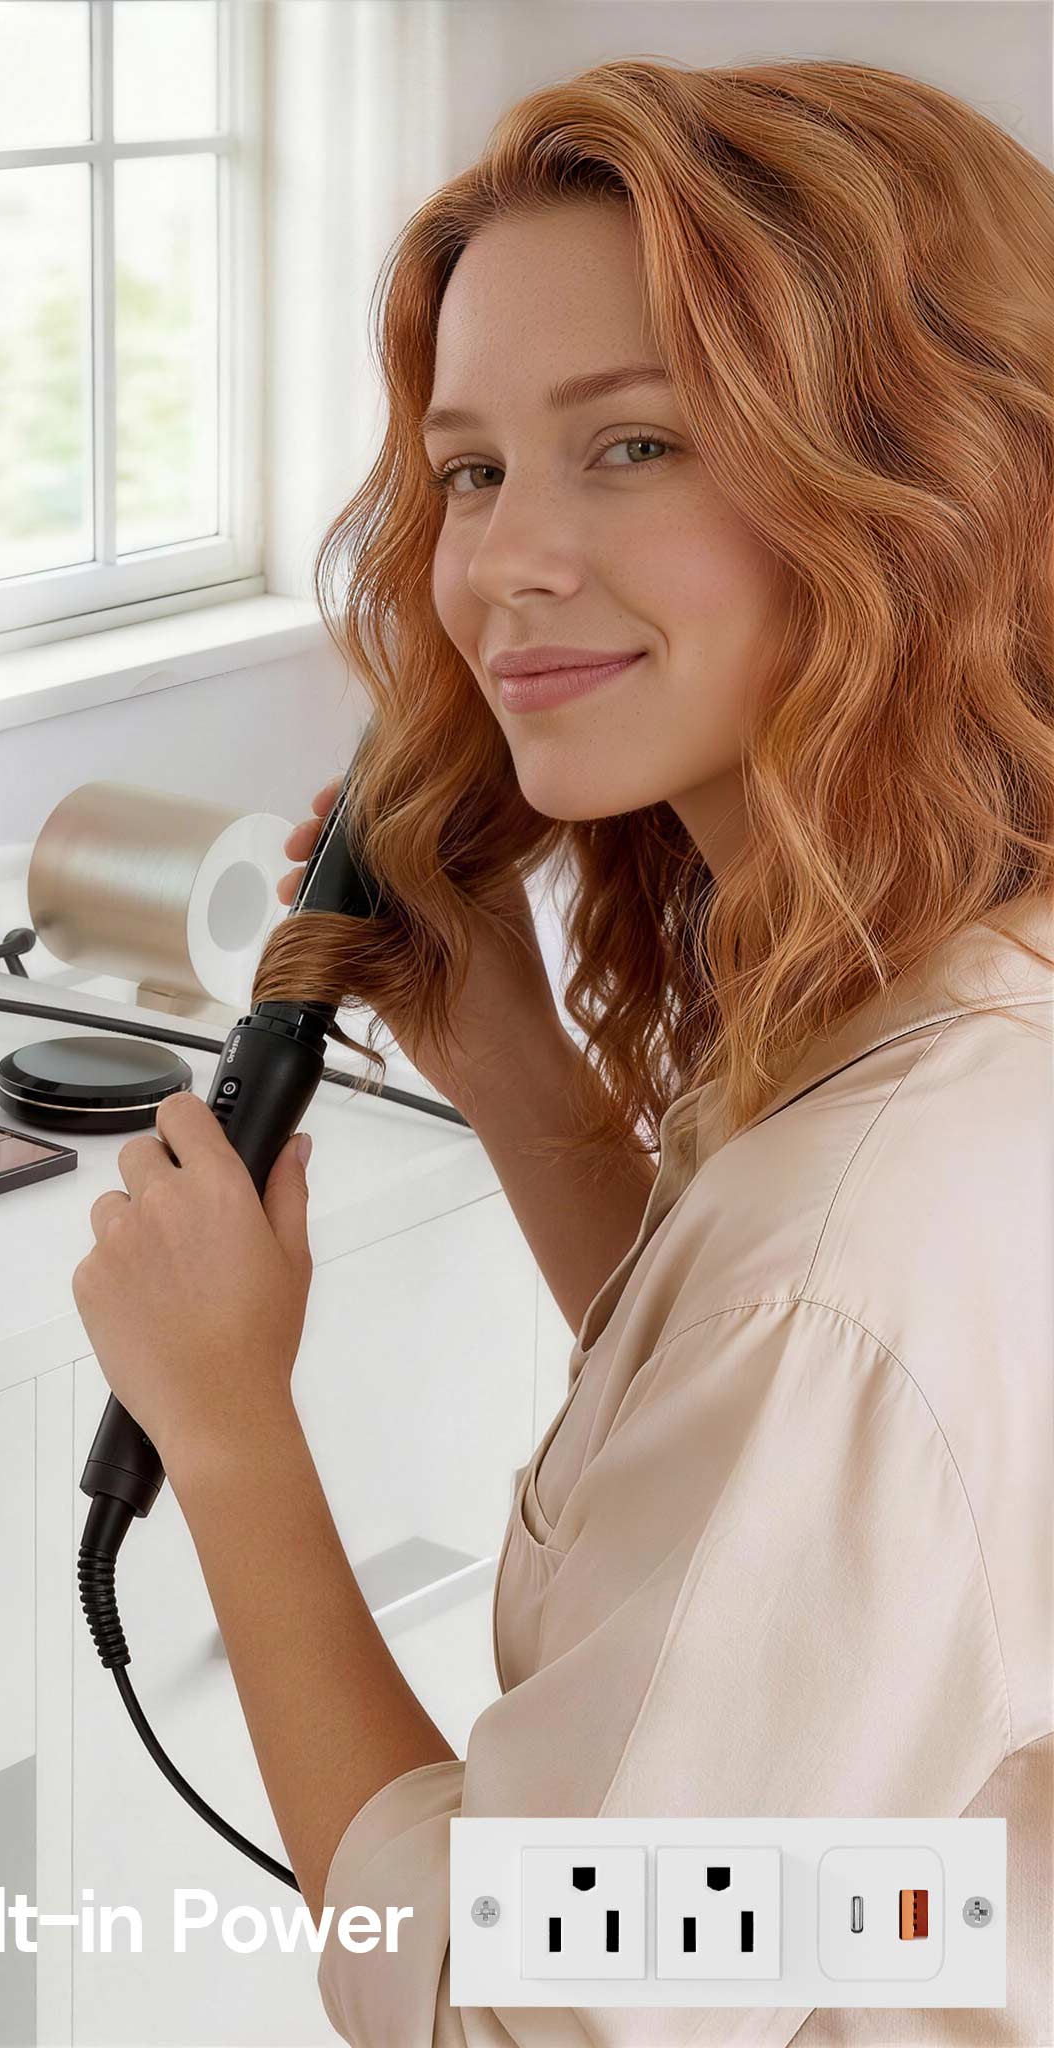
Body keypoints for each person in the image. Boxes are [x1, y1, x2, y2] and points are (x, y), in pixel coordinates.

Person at [70, 56, 1053, 2047]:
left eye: (634, 445)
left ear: (922, 484)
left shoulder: (859, 1249)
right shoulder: (951, 1004)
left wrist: (228, 1432)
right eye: (470, 471)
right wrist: (521, 1082)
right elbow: (823, 1608)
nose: (503, 561)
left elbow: (517, 2018)